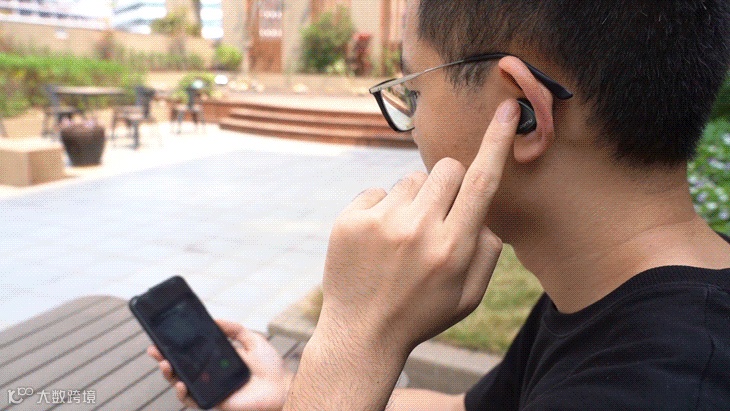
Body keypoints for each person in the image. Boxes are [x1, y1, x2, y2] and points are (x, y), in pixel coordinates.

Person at [149, 0, 730, 409]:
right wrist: (293, 393)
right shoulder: (611, 297)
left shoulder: (662, 389)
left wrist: (357, 340)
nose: (413, 125)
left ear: (522, 112)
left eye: (415, 90)